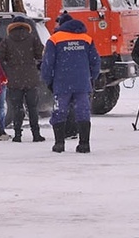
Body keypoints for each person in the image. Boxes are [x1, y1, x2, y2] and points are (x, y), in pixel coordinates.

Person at [40, 15, 100, 153]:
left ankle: (59, 144)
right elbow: (95, 61)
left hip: (62, 83)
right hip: (82, 83)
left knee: (59, 112)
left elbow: (48, 63)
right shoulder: (86, 39)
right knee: (83, 112)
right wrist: (91, 78)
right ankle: (84, 144)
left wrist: (48, 81)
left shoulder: (54, 39)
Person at [0, 21, 45, 142]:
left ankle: (18, 135)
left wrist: (8, 65)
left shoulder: (7, 40)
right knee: (32, 108)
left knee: (17, 108)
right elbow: (40, 54)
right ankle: (36, 134)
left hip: (14, 79)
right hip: (31, 78)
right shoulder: (32, 38)